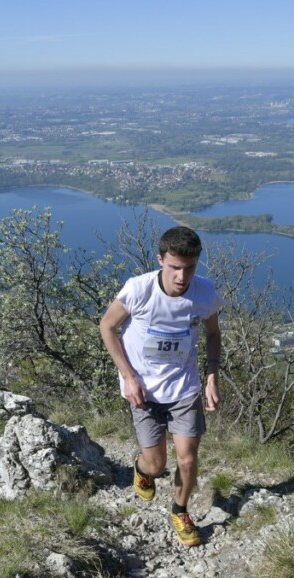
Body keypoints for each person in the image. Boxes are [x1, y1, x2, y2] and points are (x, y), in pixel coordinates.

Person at [99, 226, 223, 547]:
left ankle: (180, 510)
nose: (182, 277)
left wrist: (212, 376)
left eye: (190, 268)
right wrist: (128, 376)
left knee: (188, 460)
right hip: (144, 391)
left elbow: (212, 334)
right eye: (174, 268)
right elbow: (108, 326)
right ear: (161, 261)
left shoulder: (205, 294)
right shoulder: (138, 291)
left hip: (183, 388)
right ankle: (142, 469)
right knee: (157, 464)